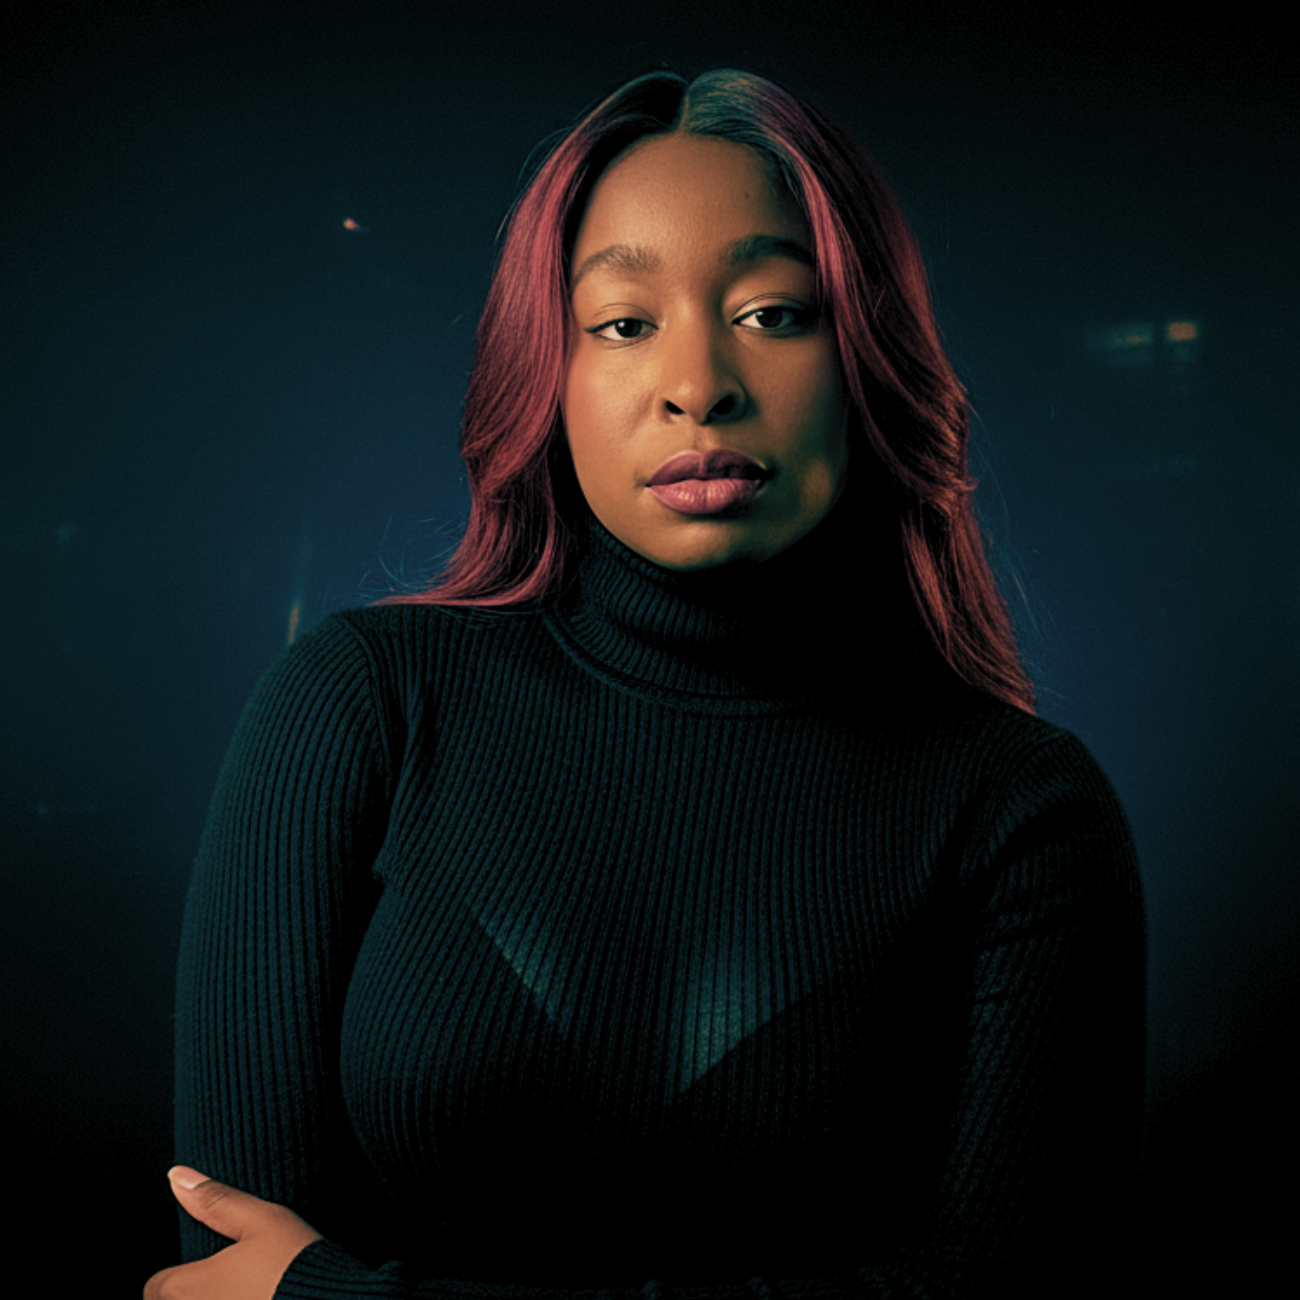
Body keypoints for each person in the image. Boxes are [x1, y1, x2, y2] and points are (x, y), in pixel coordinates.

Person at [146, 68, 1146, 1300]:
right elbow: (224, 1271)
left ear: (865, 359)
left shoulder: (1021, 811)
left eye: (774, 312)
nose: (698, 382)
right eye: (623, 322)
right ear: (546, 375)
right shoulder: (361, 706)